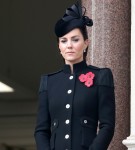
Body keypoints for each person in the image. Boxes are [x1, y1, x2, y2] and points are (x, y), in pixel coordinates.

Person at [34, 2, 115, 150]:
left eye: (75, 39)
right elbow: (41, 130)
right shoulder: (49, 82)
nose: (69, 45)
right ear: (59, 46)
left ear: (86, 43)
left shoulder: (101, 76)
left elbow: (107, 126)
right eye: (64, 41)